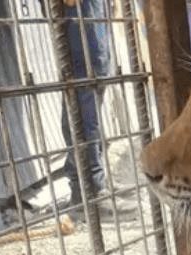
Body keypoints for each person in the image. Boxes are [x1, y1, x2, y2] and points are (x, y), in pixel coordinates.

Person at [59, 0, 111, 215]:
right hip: (77, 19)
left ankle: (87, 183)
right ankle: (89, 190)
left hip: (91, 18)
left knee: (95, 77)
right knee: (83, 103)